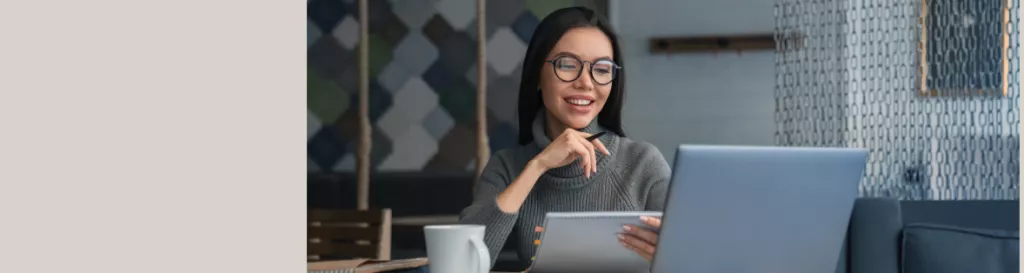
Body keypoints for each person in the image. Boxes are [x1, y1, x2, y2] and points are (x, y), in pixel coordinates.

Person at [457, 6, 671, 269]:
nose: (586, 82)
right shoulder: (506, 168)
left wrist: (674, 254)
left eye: (602, 69)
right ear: (537, 74)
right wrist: (538, 166)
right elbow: (461, 263)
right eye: (568, 65)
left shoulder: (643, 164)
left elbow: (692, 258)